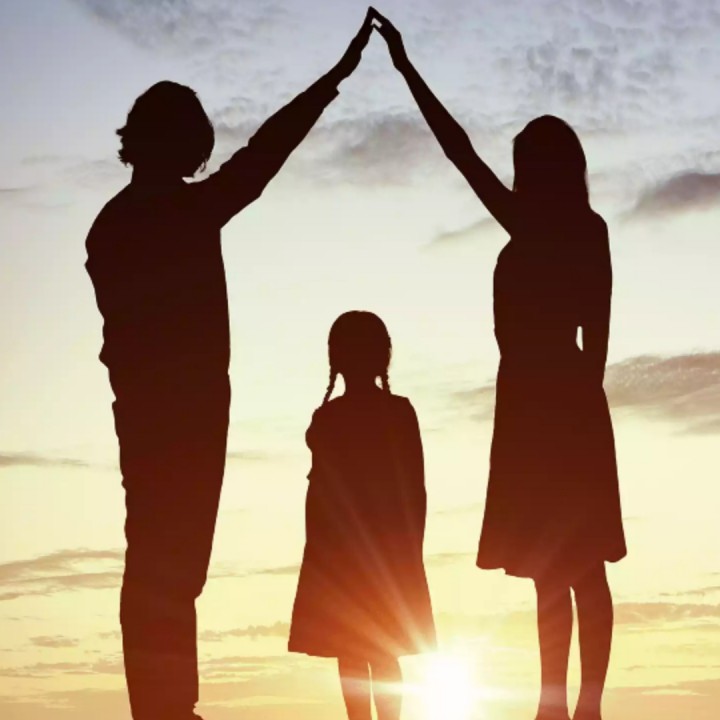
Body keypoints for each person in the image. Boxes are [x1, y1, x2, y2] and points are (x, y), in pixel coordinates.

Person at [84, 12, 375, 720]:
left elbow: (262, 154)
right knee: (166, 565)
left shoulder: (117, 225)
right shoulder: (177, 214)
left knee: (165, 563)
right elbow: (265, 154)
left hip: (159, 415)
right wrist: (334, 79)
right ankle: (165, 707)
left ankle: (168, 704)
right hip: (175, 417)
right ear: (175, 142)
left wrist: (333, 81)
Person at [371, 9, 627, 720]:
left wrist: (407, 68)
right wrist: (405, 68)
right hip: (547, 400)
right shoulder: (565, 226)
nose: (515, 176)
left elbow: (600, 331)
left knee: (576, 567)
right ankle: (561, 705)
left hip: (553, 403)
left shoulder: (553, 227)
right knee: (558, 568)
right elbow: (459, 151)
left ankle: (582, 705)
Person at [288, 311, 436, 720]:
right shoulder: (382, 414)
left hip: (356, 554)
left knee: (361, 649)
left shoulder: (340, 417)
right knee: (368, 649)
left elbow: (413, 488)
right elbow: (414, 490)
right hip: (364, 553)